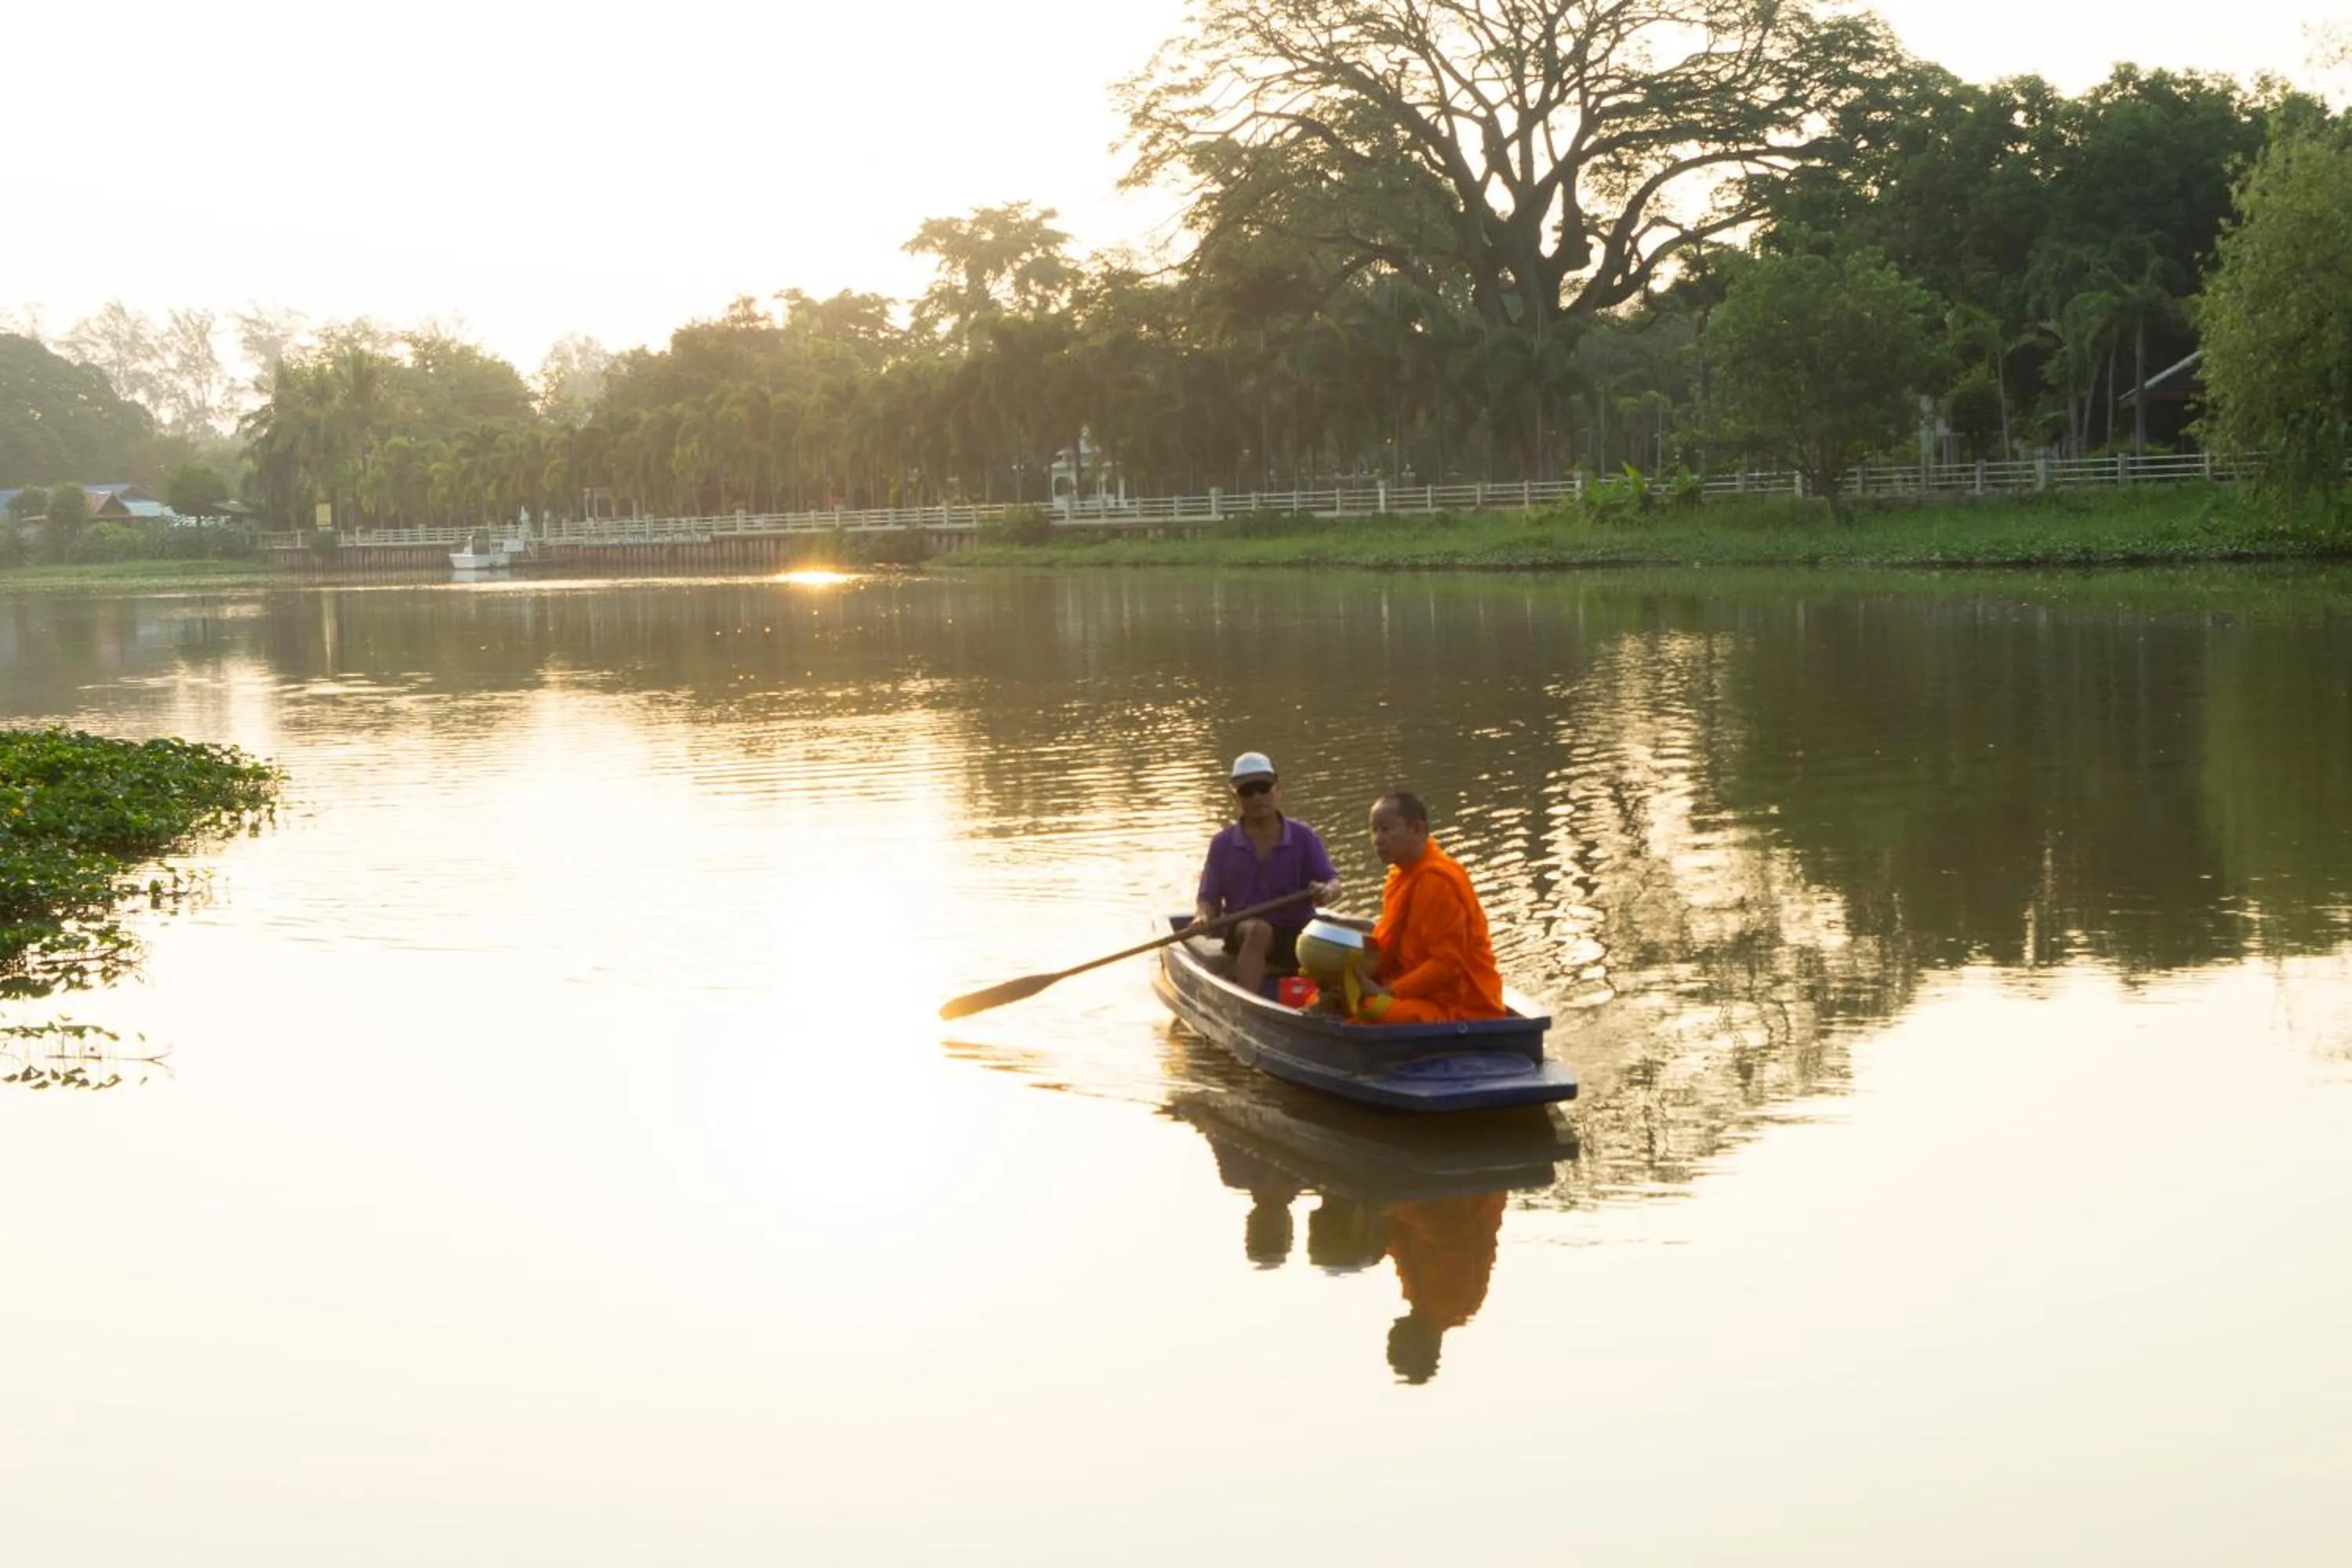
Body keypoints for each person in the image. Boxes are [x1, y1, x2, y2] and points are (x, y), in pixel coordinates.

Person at [1190, 751, 1341, 997]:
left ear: (1277, 789)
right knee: (1258, 930)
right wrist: (1202, 917)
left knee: (1356, 936)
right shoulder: (1222, 844)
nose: (1257, 797)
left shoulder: (1304, 837)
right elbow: (1208, 898)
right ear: (1235, 796)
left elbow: (1333, 883)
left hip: (1299, 930)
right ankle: (1246, 1004)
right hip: (1246, 932)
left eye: (1263, 788)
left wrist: (1326, 891)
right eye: (1247, 791)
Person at [1355, 789, 1508, 1025]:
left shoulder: (1436, 881)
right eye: (1374, 830)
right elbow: (1391, 942)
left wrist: (1389, 992)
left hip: (1460, 1006)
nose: (1378, 839)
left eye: (1386, 829)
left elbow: (1448, 964)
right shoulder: (1400, 876)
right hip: (1418, 992)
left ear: (1417, 829)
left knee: (1370, 1008)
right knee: (1339, 980)